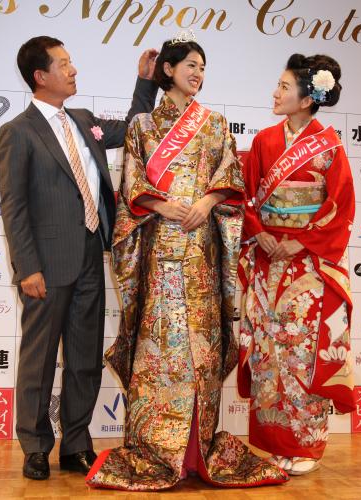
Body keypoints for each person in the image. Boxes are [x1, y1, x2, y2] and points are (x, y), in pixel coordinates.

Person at [86, 35, 287, 491]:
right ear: (169, 69)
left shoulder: (214, 124)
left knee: (201, 345)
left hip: (201, 250)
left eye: (202, 67)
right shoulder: (142, 126)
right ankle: (158, 448)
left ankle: (198, 450)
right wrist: (161, 206)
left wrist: (208, 201)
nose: (198, 74)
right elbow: (132, 182)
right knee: (163, 347)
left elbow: (231, 178)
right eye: (191, 65)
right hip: (160, 248)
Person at [0, 35, 159, 480]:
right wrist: (27, 268)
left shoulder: (84, 120)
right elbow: (14, 207)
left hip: (90, 255)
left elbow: (134, 128)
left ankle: (75, 444)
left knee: (85, 358)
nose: (73, 70)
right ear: (40, 76)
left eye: (72, 62)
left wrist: (145, 82)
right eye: (64, 64)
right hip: (45, 267)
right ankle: (35, 446)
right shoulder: (17, 132)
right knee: (39, 360)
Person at [237, 53, 355, 476]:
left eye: (284, 87)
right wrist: (260, 231)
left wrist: (300, 240)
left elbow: (339, 206)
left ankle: (305, 444)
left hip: (307, 266)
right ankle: (274, 442)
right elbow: (246, 195)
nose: (275, 93)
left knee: (301, 350)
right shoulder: (265, 141)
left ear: (307, 99)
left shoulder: (330, 146)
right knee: (269, 351)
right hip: (268, 259)